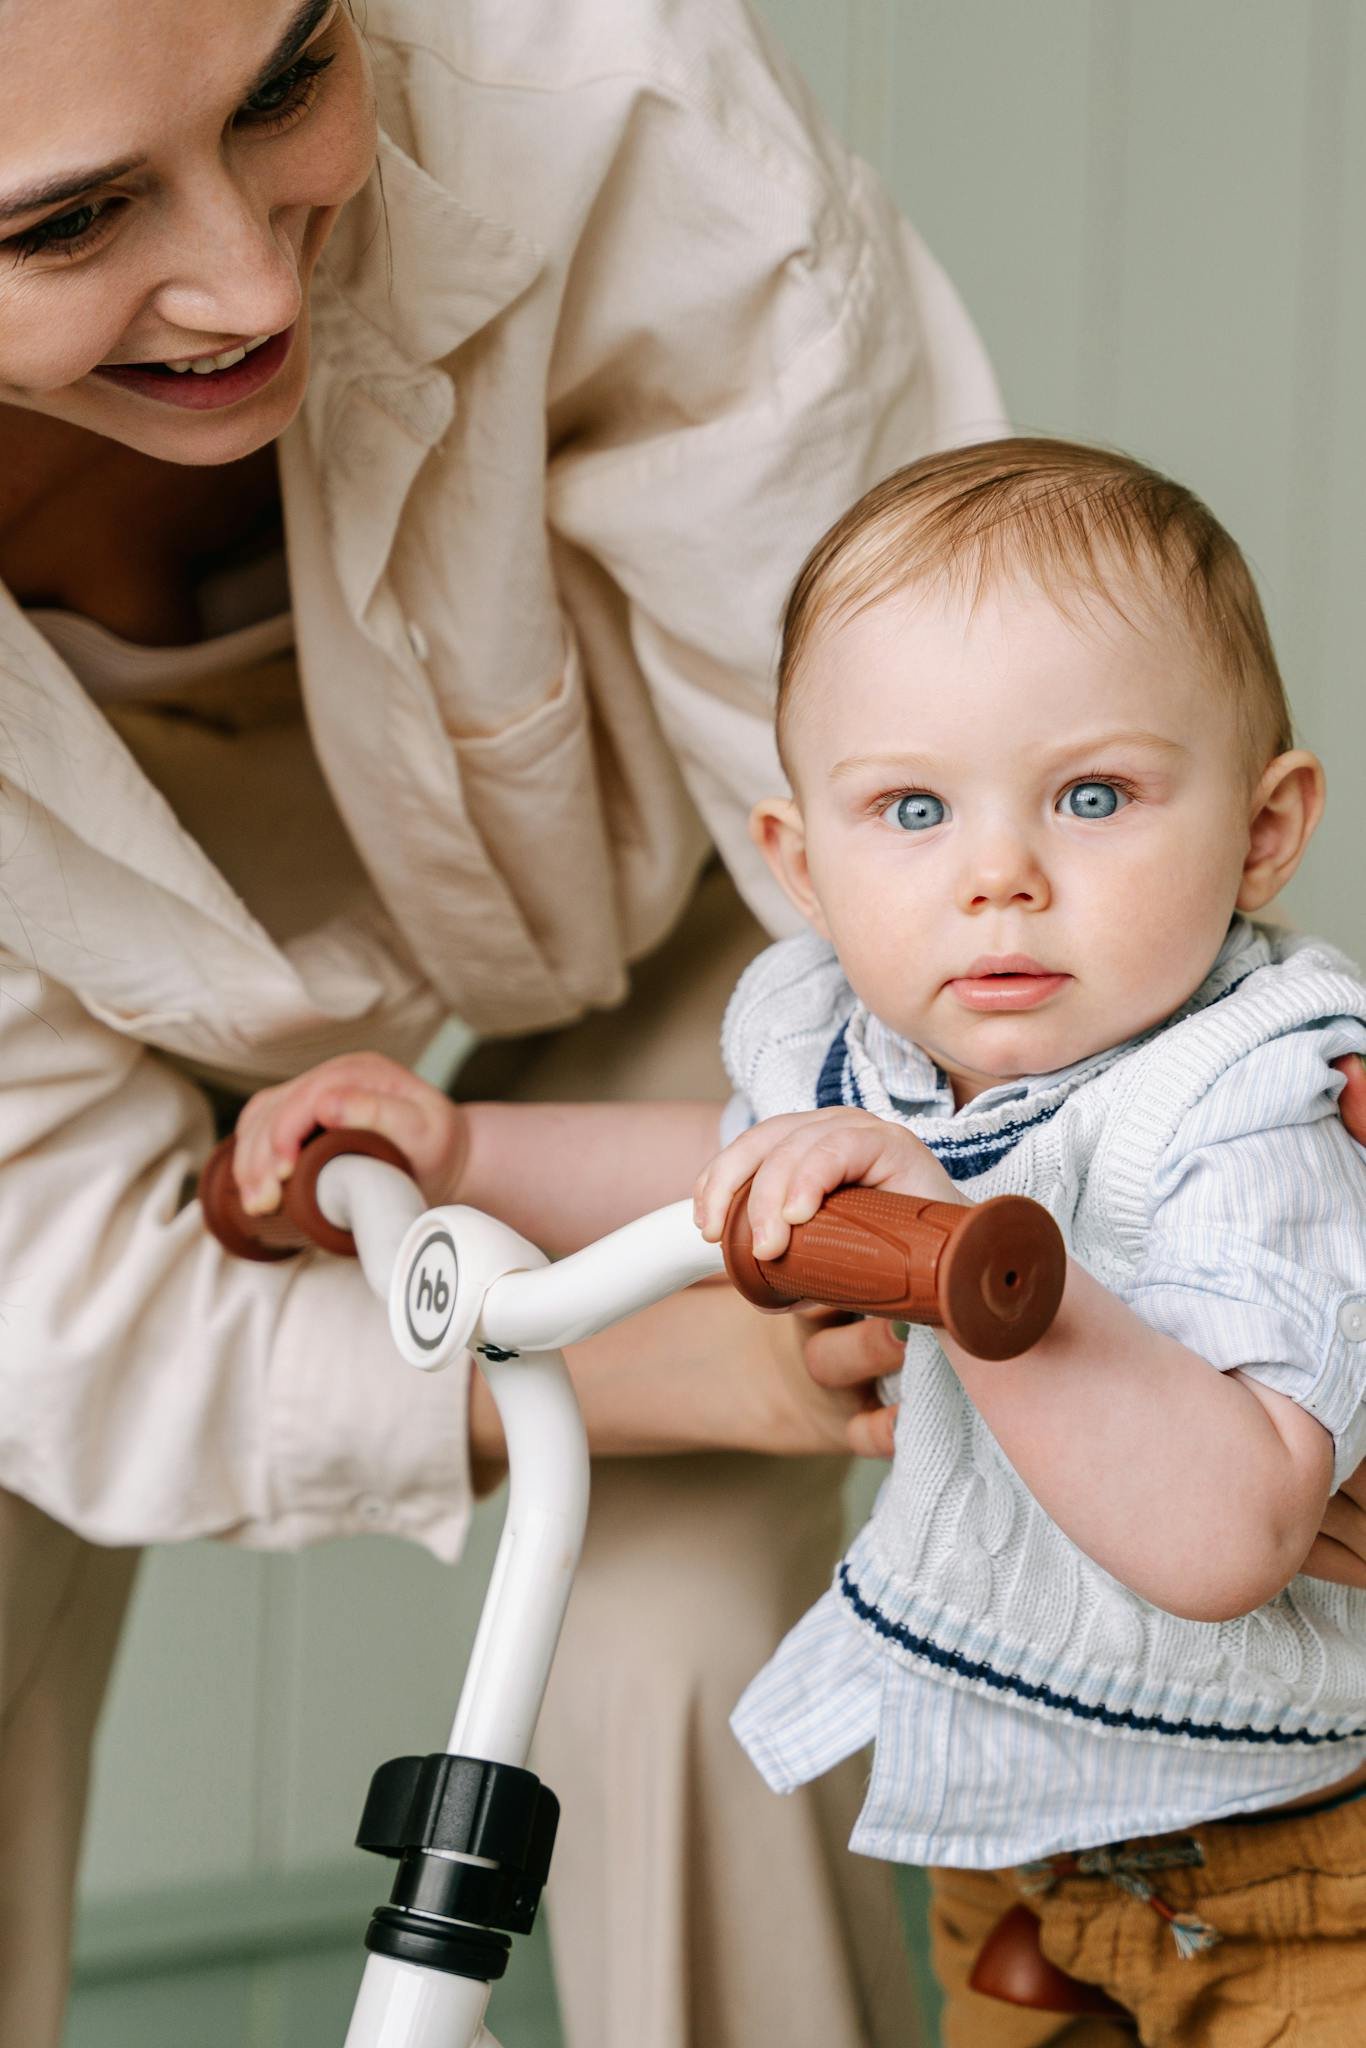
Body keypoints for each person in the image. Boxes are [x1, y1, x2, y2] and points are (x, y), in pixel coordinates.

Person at [0, 1, 1007, 2042]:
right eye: (73, 218)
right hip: (74, 1090)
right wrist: (629, 1357)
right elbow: (64, 1311)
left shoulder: (601, 96)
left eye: (287, 80)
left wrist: (799, 1285)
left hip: (740, 940)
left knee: (683, 1623)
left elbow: (931, 852)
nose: (248, 278)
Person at [237, 436, 1366, 2046]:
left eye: (1093, 796)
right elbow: (710, 1174)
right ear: (802, 869)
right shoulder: (862, 1048)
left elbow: (1224, 1540)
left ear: (1262, 834)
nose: (997, 878)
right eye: (910, 809)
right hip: (1019, 1839)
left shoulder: (1254, 1108)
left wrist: (967, 1250)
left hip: (1293, 1873)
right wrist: (462, 1147)